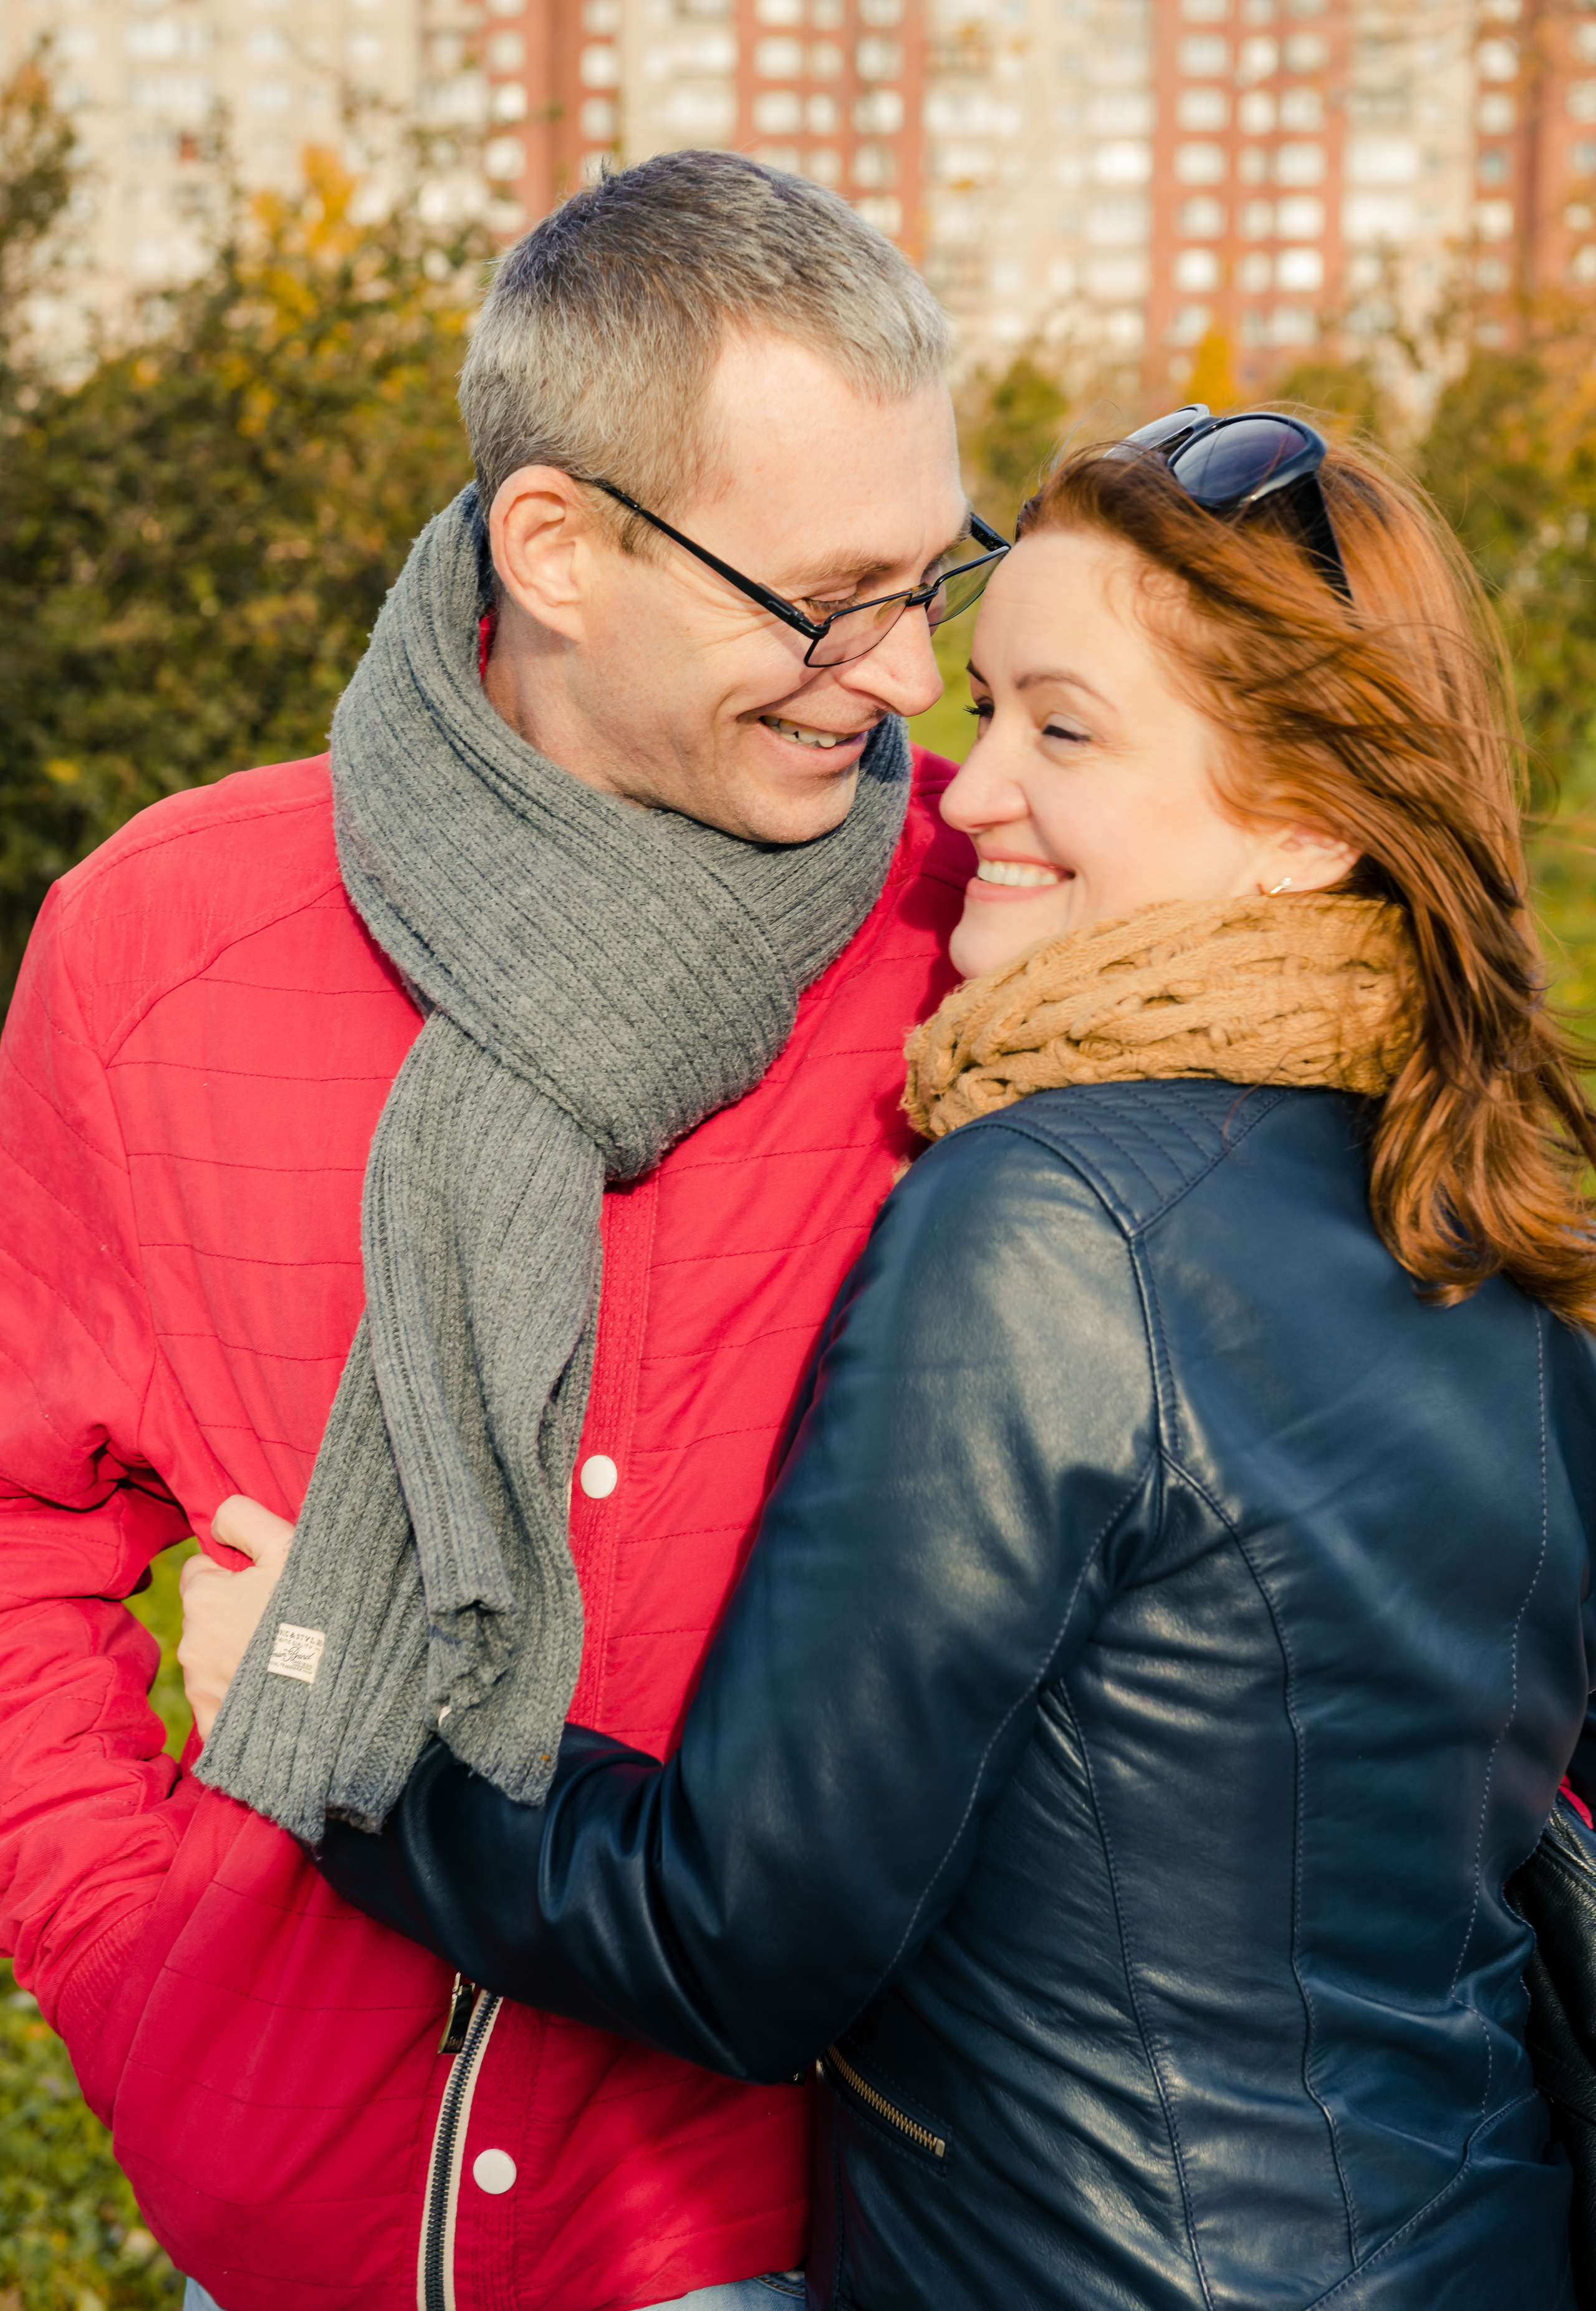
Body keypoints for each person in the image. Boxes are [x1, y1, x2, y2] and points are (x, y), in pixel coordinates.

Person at [191, 411, 1596, 2307]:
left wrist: (339, 1711)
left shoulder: (1052, 1216)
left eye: (1064, 728)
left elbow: (738, 1935)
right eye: (991, 705)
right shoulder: (1490, 1201)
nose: (964, 794)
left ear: (1307, 823)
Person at [0, 150, 1001, 2311]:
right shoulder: (160, 946)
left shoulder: (981, 929)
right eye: (835, 595)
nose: (909, 669)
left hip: (793, 2224)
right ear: (557, 544)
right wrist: (128, 1945)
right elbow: (26, 1524)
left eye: (942, 575)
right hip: (296, 2226)